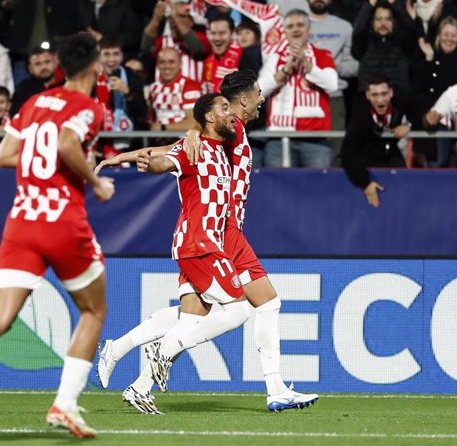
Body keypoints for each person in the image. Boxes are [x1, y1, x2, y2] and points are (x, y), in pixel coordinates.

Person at [96, 71, 318, 414]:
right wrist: (181, 136)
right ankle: (271, 388)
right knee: (245, 308)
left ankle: (126, 360)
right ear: (239, 101)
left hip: (225, 230)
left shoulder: (225, 133)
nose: (262, 99)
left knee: (197, 315)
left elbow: (182, 143)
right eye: (258, 94)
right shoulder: (231, 127)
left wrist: (171, 141)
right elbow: (177, 149)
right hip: (217, 232)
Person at [0, 32, 115, 443]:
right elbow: (68, 141)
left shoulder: (34, 102)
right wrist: (95, 182)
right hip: (61, 220)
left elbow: (3, 155)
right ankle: (65, 404)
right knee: (94, 310)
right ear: (94, 67)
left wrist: (44, 154)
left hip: (20, 221)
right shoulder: (90, 107)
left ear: (59, 67)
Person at [259, 9, 339, 168]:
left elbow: (332, 85)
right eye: (290, 26)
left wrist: (307, 65)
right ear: (285, 32)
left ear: (308, 29)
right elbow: (258, 91)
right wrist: (285, 70)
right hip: (279, 138)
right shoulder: (274, 57)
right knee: (279, 190)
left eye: (300, 25)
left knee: (318, 187)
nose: (295, 29)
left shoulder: (322, 54)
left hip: (315, 139)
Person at [341, 77, 410, 208]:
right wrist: (366, 183)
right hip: (368, 167)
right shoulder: (360, 117)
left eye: (384, 94)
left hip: (394, 163)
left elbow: (422, 115)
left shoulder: (401, 103)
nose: (380, 100)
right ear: (368, 95)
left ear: (391, 93)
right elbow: (347, 153)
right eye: (375, 95)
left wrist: (409, 126)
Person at [411, 16, 457, 167]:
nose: (449, 39)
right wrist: (428, 59)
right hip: (431, 133)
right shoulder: (428, 61)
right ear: (439, 37)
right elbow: (417, 92)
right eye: (446, 34)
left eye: (453, 35)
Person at [307, 0, 359, 154]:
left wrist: (329, 66)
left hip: (334, 99)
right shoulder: (295, 23)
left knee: (337, 150)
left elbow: (354, 66)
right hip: (302, 96)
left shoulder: (344, 27)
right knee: (306, 149)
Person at [352, 0, 418, 100]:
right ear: (372, 22)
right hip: (369, 98)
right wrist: (370, 4)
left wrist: (394, 3)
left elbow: (411, 29)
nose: (383, 23)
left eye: (388, 19)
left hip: (398, 98)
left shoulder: (402, 42)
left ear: (394, 23)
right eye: (378, 19)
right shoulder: (365, 43)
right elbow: (357, 31)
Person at [141, 0, 211, 81]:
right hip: (166, 92)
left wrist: (175, 17)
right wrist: (155, 20)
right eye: (170, 17)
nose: (173, 20)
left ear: (192, 21)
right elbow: (145, 47)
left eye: (181, 16)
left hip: (194, 92)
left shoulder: (202, 37)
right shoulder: (164, 41)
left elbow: (197, 48)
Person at [201, 15, 261, 94]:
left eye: (222, 33)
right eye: (213, 33)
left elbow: (250, 94)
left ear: (232, 34)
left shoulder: (245, 57)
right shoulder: (207, 59)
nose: (217, 38)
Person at [149, 47, 202, 132]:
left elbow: (194, 123)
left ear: (180, 63)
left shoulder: (190, 85)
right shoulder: (154, 87)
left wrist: (164, 128)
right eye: (162, 62)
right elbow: (151, 120)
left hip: (182, 141)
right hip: (158, 141)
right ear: (157, 65)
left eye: (171, 62)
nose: (167, 66)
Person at [11, 47, 63, 115]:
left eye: (47, 62)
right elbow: (16, 115)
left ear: (56, 63)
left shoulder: (67, 86)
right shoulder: (23, 89)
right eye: (38, 64)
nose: (43, 67)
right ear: (30, 69)